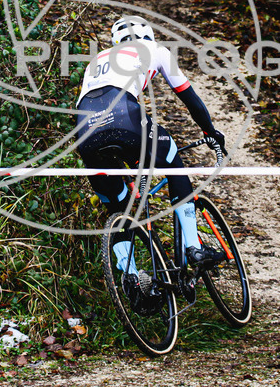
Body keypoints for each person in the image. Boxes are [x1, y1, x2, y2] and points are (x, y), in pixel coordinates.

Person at [73, 16, 226, 308]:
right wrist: (210, 132)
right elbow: (190, 99)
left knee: (120, 207)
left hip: (85, 134)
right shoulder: (157, 51)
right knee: (171, 160)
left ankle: (130, 279)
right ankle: (193, 248)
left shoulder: (97, 60)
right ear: (149, 37)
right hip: (125, 118)